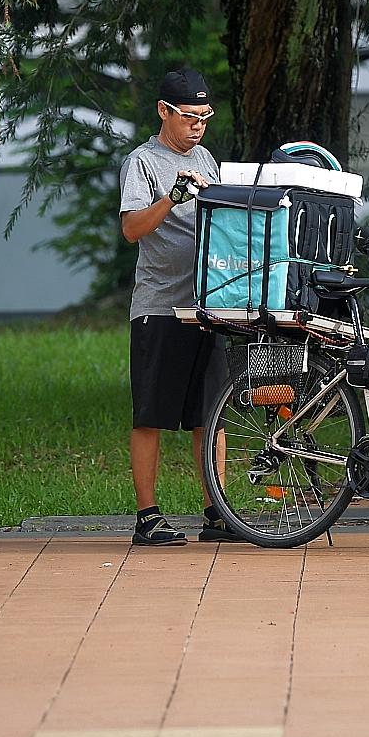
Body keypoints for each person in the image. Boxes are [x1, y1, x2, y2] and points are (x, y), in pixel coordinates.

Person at [118, 67, 241, 546]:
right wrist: (172, 197)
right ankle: (147, 516)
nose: (197, 127)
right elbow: (132, 229)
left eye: (205, 118)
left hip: (208, 306)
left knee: (211, 414)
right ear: (163, 112)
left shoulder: (207, 159)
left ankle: (218, 511)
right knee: (151, 413)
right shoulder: (143, 163)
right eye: (189, 117)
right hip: (160, 306)